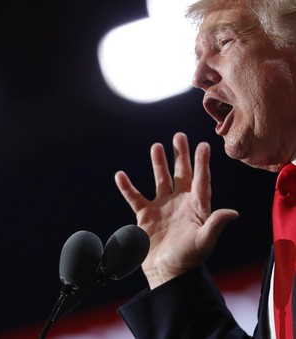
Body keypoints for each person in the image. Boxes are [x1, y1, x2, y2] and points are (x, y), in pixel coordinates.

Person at [114, 0, 296, 338]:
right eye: (197, 57)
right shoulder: (286, 244)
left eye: (224, 42)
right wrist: (174, 276)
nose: (197, 77)